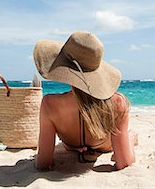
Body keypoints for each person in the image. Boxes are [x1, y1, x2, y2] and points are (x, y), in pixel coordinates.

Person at [33, 30, 138, 171]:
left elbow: (42, 163)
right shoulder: (117, 103)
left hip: (70, 146)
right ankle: (130, 138)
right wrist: (130, 141)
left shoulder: (50, 104)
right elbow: (124, 162)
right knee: (129, 136)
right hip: (105, 145)